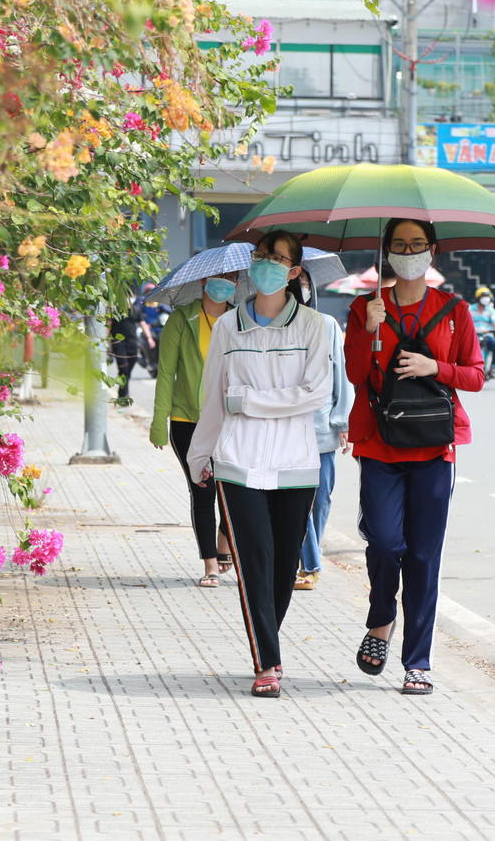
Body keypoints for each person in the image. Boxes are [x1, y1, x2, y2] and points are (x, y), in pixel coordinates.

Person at [186, 231, 332, 698]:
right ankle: (267, 660)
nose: (266, 264)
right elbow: (214, 396)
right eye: (261, 257)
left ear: (293, 272)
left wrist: (247, 401)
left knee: (284, 564)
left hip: (296, 462)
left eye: (277, 259)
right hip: (237, 459)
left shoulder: (315, 326)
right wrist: (199, 454)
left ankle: (265, 638)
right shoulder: (229, 327)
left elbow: (315, 395)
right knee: (255, 563)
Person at [345, 219, 485, 695]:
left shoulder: (454, 310)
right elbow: (354, 373)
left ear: (433, 252)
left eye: (417, 244)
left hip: (433, 446)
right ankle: (381, 618)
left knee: (424, 554)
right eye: (400, 245)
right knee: (384, 541)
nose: (409, 251)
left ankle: (418, 660)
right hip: (379, 444)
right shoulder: (365, 307)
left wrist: (435, 367)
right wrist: (367, 329)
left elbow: (475, 376)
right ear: (385, 252)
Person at [151, 272, 238, 587]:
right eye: (218, 278)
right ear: (203, 281)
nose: (225, 283)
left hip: (230, 421)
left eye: (232, 278)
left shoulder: (241, 319)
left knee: (235, 491)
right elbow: (166, 373)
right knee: (203, 492)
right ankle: (211, 565)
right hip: (188, 420)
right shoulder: (181, 318)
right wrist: (159, 422)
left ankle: (225, 540)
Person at [295, 307, 354, 590]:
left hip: (321, 426)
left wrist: (343, 420)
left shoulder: (327, 323)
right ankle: (309, 563)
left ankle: (307, 558)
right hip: (285, 425)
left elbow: (339, 370)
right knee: (297, 497)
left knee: (321, 499)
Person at [108, 299, 151, 403]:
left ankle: (122, 394)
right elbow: (108, 325)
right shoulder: (115, 311)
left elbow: (142, 323)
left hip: (132, 344)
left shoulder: (135, 310)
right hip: (118, 344)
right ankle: (123, 397)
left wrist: (149, 338)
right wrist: (104, 341)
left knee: (127, 372)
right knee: (124, 370)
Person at [468, 286, 495, 382]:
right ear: (478, 298)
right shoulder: (470, 309)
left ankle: (493, 369)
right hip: (473, 336)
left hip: (487, 335)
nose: (486, 299)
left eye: (487, 296)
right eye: (484, 296)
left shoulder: (490, 310)